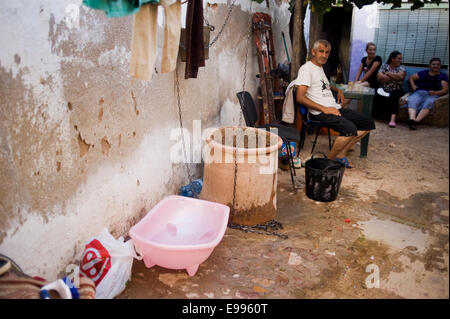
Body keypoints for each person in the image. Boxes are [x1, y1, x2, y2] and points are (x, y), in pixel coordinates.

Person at [294, 39, 376, 168]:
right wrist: (324, 108)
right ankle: (328, 163)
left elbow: (324, 85)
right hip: (319, 112)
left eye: (327, 52)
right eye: (321, 51)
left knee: (368, 123)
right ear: (313, 52)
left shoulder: (320, 68)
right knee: (350, 129)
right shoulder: (306, 69)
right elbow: (300, 97)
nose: (324, 55)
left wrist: (338, 90)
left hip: (334, 108)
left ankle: (340, 154)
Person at [405, 57, 449, 130]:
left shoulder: (442, 76)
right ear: (429, 65)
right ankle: (412, 120)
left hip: (432, 95)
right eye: (433, 64)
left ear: (440, 66)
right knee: (412, 100)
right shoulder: (424, 72)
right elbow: (411, 78)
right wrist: (413, 86)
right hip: (419, 92)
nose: (435, 66)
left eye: (437, 64)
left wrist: (435, 92)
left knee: (429, 103)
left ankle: (416, 121)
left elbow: (445, 90)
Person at [375, 50, 406, 128]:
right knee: (374, 92)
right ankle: (375, 115)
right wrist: (394, 77)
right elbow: (379, 77)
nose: (400, 60)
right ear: (392, 59)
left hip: (397, 88)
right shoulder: (384, 66)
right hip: (384, 88)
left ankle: (392, 120)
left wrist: (388, 73)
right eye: (398, 58)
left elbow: (401, 77)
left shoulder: (402, 68)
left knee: (394, 95)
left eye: (400, 59)